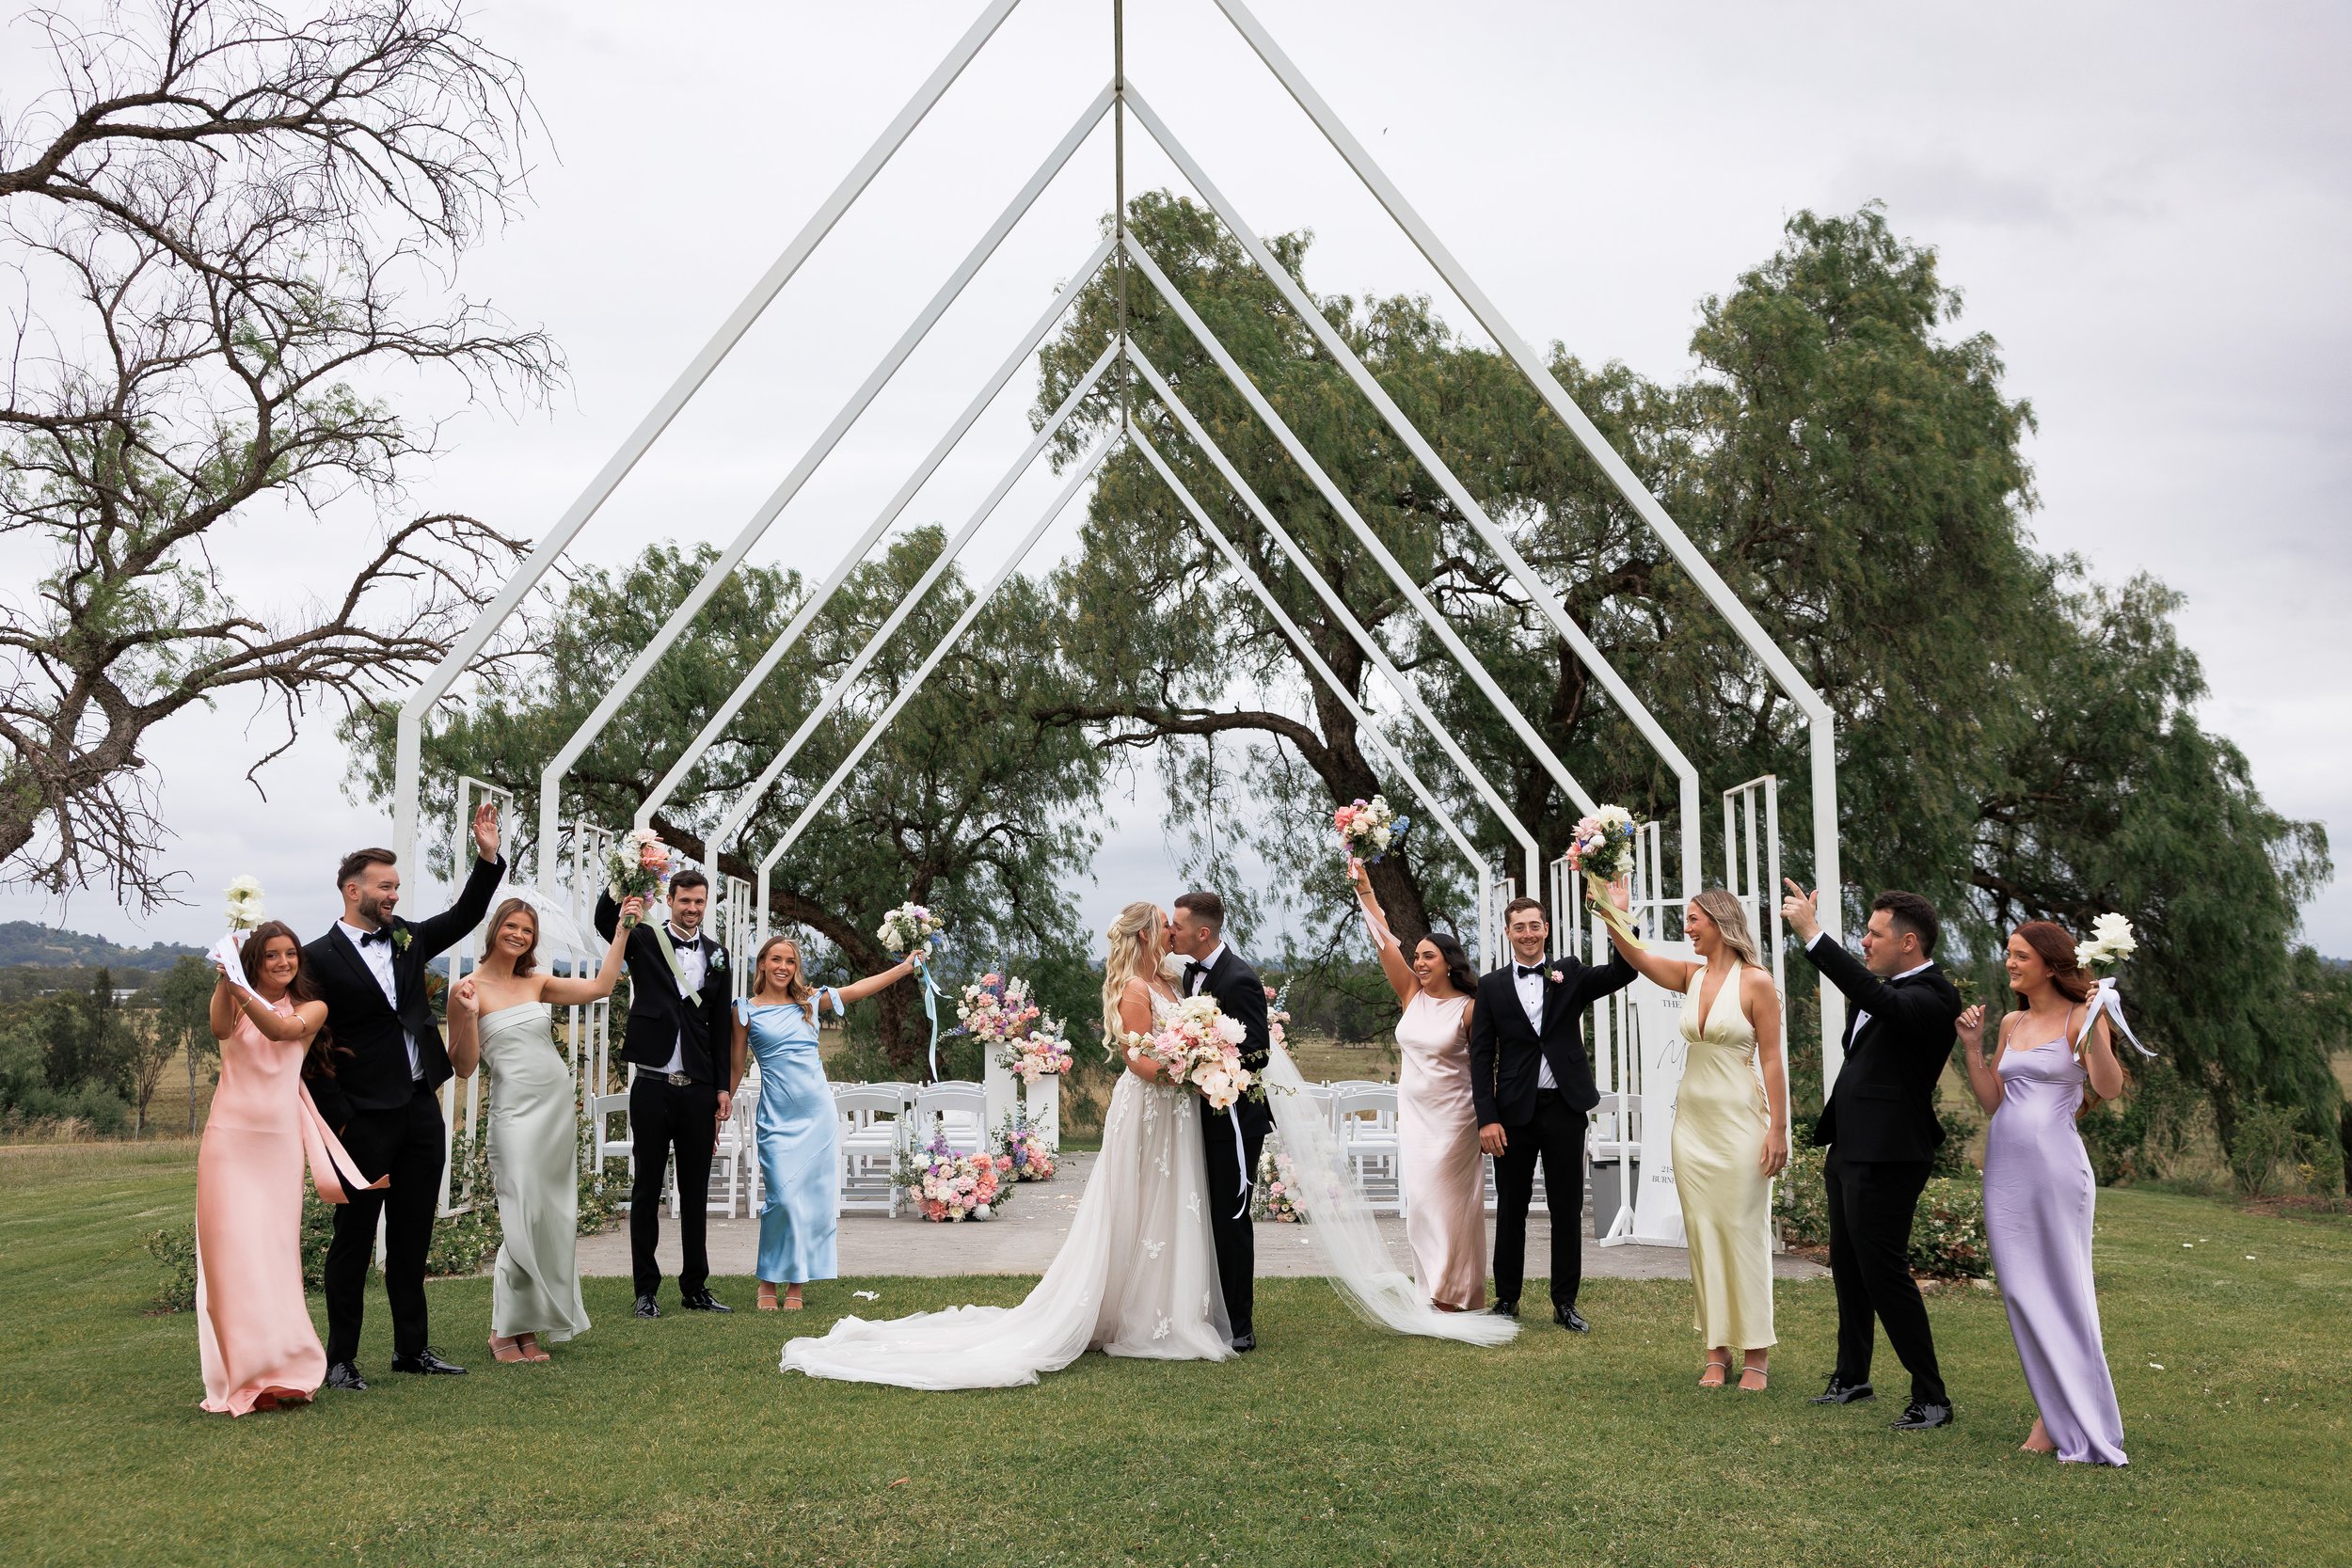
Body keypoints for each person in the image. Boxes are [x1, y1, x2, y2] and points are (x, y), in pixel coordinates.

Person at [304, 802, 507, 1389]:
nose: (393, 895)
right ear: (352, 891)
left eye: (396, 887)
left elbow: (466, 914)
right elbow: (313, 1051)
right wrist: (339, 1119)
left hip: (421, 1108)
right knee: (353, 1241)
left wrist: (487, 858)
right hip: (360, 1119)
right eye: (384, 887)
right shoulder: (317, 959)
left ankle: (411, 1350)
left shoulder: (408, 939)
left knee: (414, 1233)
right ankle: (340, 1359)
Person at [1780, 879, 1963, 1432]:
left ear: (1908, 944)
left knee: (1883, 1271)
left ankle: (1932, 1397)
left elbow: (1880, 999)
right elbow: (1869, 1004)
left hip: (1890, 1153)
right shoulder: (1887, 987)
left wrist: (1814, 936)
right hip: (1853, 1146)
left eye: (1873, 933)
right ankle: (1853, 1374)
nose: (1863, 941)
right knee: (1849, 1266)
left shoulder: (1933, 995)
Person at [1598, 885, 1789, 1389]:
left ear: (1721, 922)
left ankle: (1757, 1355)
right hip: (1692, 1128)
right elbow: (1635, 956)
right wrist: (1615, 910)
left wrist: (1779, 1128)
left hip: (1742, 1126)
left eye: (1693, 920)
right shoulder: (1691, 975)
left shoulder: (1757, 983)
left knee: (1744, 1234)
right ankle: (1715, 1351)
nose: (1687, 929)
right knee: (1702, 1235)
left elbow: (1771, 1058)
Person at [1957, 922, 2130, 1465]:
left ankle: (2064, 1419)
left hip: (2056, 1171)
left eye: (2021, 956)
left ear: (2051, 965)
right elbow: (1993, 1102)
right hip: (2005, 1170)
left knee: (2065, 1291)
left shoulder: (2082, 1017)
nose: (2010, 963)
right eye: (2008, 954)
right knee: (2020, 1292)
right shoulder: (2012, 1021)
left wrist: (2097, 1028)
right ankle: (2054, 1408)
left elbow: (2108, 1087)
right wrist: (1973, 1049)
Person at [443, 894, 643, 1363]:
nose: (519, 935)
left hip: (555, 1113)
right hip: (514, 1115)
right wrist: (469, 1018)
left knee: (553, 1216)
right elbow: (465, 1066)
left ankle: (526, 1329)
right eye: (512, 926)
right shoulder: (466, 990)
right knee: (522, 1214)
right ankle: (502, 1330)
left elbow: (600, 988)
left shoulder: (535, 981)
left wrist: (622, 931)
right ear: (495, 929)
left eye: (527, 930)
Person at [196, 921, 373, 1414]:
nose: (282, 963)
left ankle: (282, 1370)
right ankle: (240, 1373)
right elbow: (218, 1029)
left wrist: (237, 982)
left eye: (290, 954)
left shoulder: (310, 1008)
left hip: (276, 1146)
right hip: (228, 1141)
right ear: (254, 959)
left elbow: (277, 1032)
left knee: (273, 1257)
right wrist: (225, 978)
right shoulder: (233, 996)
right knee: (229, 1256)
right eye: (271, 955)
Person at [1470, 894, 1638, 1331]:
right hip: (1511, 1113)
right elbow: (1481, 1054)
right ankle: (1507, 1299)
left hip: (1565, 1108)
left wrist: (1618, 916)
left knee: (1567, 1208)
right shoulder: (1490, 987)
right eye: (1519, 926)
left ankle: (1565, 1302)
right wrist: (1486, 1118)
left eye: (1535, 925)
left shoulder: (1571, 973)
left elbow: (1625, 970)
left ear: (1547, 929)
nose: (1528, 933)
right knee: (1511, 1208)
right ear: (1507, 933)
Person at [729, 935, 915, 1311]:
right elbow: (734, 1067)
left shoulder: (810, 1003)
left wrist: (903, 968)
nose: (783, 967)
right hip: (777, 1118)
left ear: (796, 968)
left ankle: (796, 1284)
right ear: (762, 963)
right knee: (781, 1200)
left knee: (811, 1202)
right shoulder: (743, 1010)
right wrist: (720, 1108)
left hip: (818, 1116)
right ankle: (768, 1278)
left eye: (791, 962)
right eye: (776, 959)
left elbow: (860, 990)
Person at [596, 868, 734, 1318]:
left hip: (696, 1088)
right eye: (684, 901)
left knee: (695, 1192)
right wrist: (628, 875)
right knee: (647, 1189)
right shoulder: (642, 937)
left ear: (705, 904)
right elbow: (603, 918)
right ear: (669, 900)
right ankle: (645, 1291)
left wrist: (720, 1089)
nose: (692, 909)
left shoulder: (719, 955)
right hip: (652, 1085)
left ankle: (696, 1287)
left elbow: (717, 1032)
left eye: (699, 902)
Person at [1348, 859, 1485, 1312]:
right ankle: (1432, 1289)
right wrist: (1365, 890)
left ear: (1449, 962)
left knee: (1451, 1207)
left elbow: (1487, 1066)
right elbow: (1384, 940)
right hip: (1416, 1119)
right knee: (1421, 1207)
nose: (1419, 962)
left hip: (1455, 1120)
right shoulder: (1411, 994)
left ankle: (1455, 1294)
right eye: (1418, 956)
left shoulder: (1469, 1008)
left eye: (1429, 956)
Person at [1164, 890, 1277, 1350]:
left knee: (1231, 1218)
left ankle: (1241, 1324)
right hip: (1197, 1114)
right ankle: (1203, 1308)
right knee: (1198, 1213)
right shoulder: (1183, 973)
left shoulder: (1238, 979)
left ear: (1202, 932)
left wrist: (1203, 1061)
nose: (1172, 930)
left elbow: (1259, 1053)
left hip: (1233, 1118)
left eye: (1178, 924)